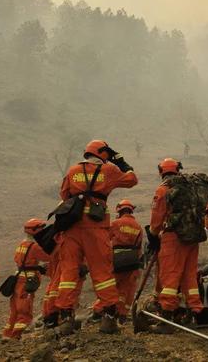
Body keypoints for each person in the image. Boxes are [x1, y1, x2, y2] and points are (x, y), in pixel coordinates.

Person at [54, 140, 138, 335]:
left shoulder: (73, 170)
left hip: (72, 227)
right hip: (96, 226)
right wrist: (121, 161)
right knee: (102, 272)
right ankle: (108, 319)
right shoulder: (108, 170)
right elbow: (132, 179)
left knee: (68, 273)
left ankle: (66, 319)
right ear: (104, 153)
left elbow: (64, 194)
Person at [148, 158, 203, 334]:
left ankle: (166, 316)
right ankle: (196, 312)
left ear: (161, 172)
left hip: (173, 238)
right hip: (192, 237)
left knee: (170, 277)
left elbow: (157, 219)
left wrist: (154, 235)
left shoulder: (163, 190)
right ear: (178, 170)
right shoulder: (190, 188)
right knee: (190, 276)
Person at [92, 199, 143, 323]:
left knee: (109, 286)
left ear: (119, 210)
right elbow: (139, 247)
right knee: (124, 290)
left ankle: (98, 311)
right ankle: (121, 314)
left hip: (116, 260)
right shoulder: (138, 227)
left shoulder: (115, 224)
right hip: (132, 262)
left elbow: (104, 240)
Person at [3, 219, 51, 339]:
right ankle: (16, 336)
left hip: (18, 278)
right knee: (24, 308)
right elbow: (48, 256)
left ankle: (7, 335)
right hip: (28, 280)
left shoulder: (21, 245)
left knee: (15, 308)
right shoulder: (34, 246)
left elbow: (18, 260)